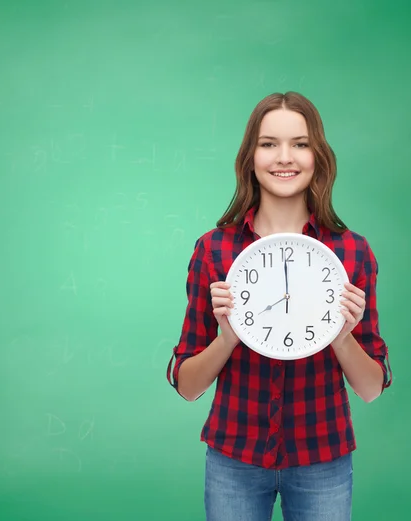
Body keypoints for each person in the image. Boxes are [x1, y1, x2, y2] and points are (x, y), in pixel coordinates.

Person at [166, 91, 392, 521]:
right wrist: (228, 337)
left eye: (300, 143)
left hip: (323, 457)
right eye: (269, 143)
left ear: (318, 156)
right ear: (250, 156)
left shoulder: (352, 253)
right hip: (234, 457)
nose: (284, 157)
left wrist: (342, 338)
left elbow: (371, 388)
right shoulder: (214, 251)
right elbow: (187, 384)